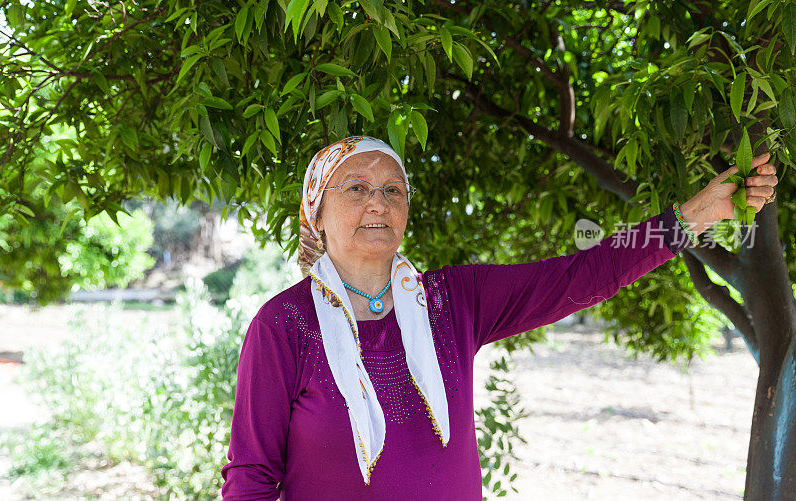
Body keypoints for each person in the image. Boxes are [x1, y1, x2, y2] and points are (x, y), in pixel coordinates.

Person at [220, 135, 778, 500]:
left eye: (394, 190)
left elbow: (584, 275)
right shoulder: (283, 326)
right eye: (357, 188)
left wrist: (700, 213)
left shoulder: (453, 302)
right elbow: (251, 478)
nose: (378, 203)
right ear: (315, 211)